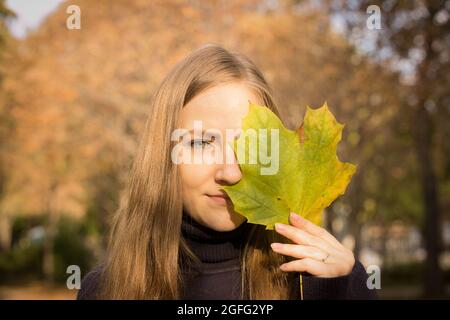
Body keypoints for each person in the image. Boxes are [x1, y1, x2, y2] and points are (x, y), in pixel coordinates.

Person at [77, 44, 377, 300]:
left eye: (248, 145)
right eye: (201, 142)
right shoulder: (106, 289)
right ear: (164, 155)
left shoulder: (320, 280)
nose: (230, 173)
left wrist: (347, 287)